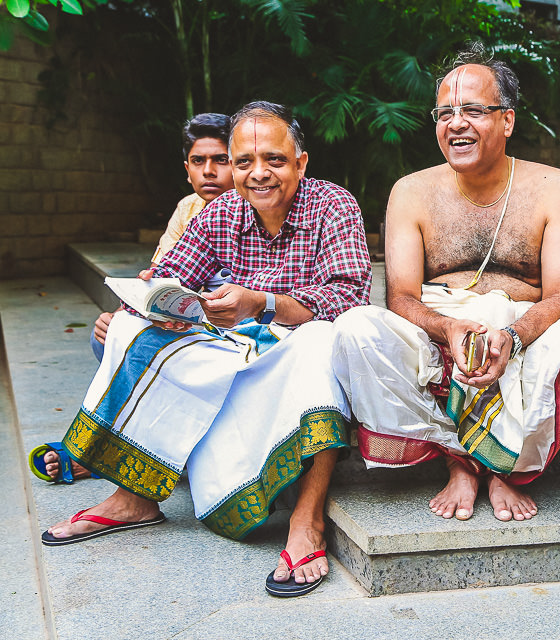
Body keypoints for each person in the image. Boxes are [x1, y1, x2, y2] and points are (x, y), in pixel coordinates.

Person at [42, 102, 372, 600]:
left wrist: (260, 303)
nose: (258, 174)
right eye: (244, 162)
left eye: (274, 160)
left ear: (301, 163)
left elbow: (348, 301)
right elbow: (172, 275)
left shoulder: (334, 205)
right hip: (231, 349)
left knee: (323, 342)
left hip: (298, 352)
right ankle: (133, 496)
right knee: (131, 330)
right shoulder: (220, 212)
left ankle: (307, 520)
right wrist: (151, 299)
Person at [332, 45, 560, 523]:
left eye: (473, 110)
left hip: (520, 335)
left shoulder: (554, 186)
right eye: (444, 112)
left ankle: (487, 463)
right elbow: (401, 297)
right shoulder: (411, 191)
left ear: (507, 121)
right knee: (353, 329)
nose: (456, 123)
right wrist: (449, 329)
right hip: (438, 341)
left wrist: (508, 336)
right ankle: (466, 462)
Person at [31, 113, 235, 486]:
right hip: (187, 323)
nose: (209, 171)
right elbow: (159, 279)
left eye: (220, 160)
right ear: (186, 168)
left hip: (230, 331)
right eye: (198, 161)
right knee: (108, 334)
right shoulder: (188, 208)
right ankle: (132, 449)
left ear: (238, 161)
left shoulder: (253, 209)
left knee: (155, 351)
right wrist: (132, 310)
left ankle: (105, 453)